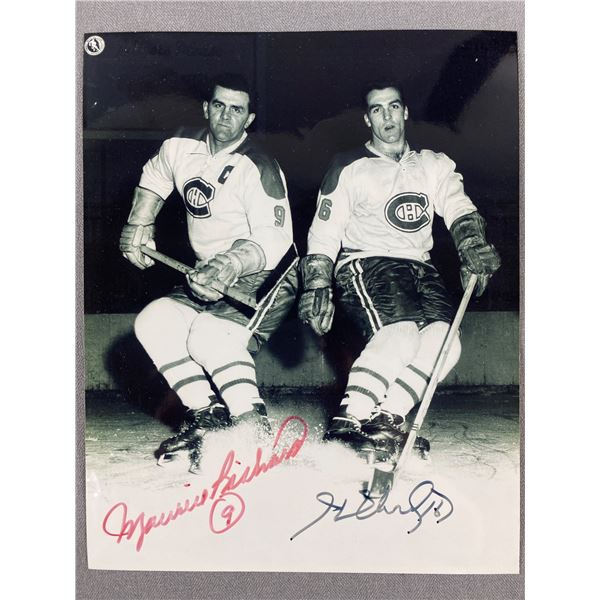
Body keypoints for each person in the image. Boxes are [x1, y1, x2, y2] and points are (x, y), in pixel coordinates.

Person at [298, 80, 500, 461]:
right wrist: (318, 282)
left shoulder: (432, 164)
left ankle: (385, 418)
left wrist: (471, 243)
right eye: (377, 109)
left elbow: (458, 205)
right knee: (400, 333)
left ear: (405, 112)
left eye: (393, 107)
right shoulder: (349, 166)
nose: (387, 116)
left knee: (446, 342)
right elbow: (324, 230)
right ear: (367, 119)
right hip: (367, 262)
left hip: (420, 268)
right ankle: (348, 421)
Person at [119, 73, 297, 471]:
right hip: (208, 268)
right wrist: (140, 221)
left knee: (210, 336)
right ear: (206, 108)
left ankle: (254, 431)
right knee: (154, 320)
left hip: (266, 271)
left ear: (249, 118)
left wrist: (229, 264)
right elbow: (155, 176)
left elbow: (274, 238)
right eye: (219, 106)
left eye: (237, 109)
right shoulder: (180, 146)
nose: (226, 116)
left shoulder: (258, 165)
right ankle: (208, 418)